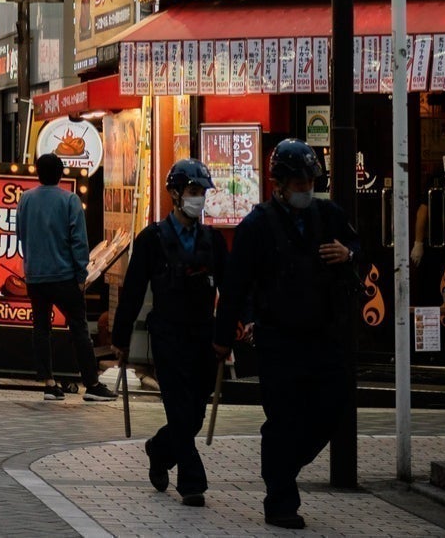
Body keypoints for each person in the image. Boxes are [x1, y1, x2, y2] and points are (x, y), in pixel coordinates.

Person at [215, 139, 361, 531]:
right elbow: (235, 284)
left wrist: (348, 255)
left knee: (334, 403)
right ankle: (280, 498)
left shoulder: (328, 215)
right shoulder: (256, 226)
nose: (304, 188)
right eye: (297, 181)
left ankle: (282, 466)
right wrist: (223, 335)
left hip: (323, 333)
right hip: (278, 337)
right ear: (278, 183)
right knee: (284, 417)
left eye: (309, 180)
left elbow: (359, 246)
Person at [113, 158, 226, 507]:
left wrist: (234, 328)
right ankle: (192, 482)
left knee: (194, 413)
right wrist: (120, 339)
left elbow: (233, 289)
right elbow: (133, 290)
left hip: (204, 336)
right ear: (175, 195)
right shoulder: (153, 239)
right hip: (168, 335)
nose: (199, 199)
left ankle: (159, 450)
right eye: (193, 192)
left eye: (202, 192)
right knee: (178, 407)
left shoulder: (213, 241)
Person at [17, 153, 114, 401]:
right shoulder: (70, 200)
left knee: (41, 328)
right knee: (79, 328)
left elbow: (20, 233)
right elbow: (79, 241)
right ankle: (91, 384)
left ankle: (49, 383)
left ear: (37, 173)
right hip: (64, 276)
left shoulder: (26, 199)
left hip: (35, 276)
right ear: (61, 174)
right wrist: (81, 274)